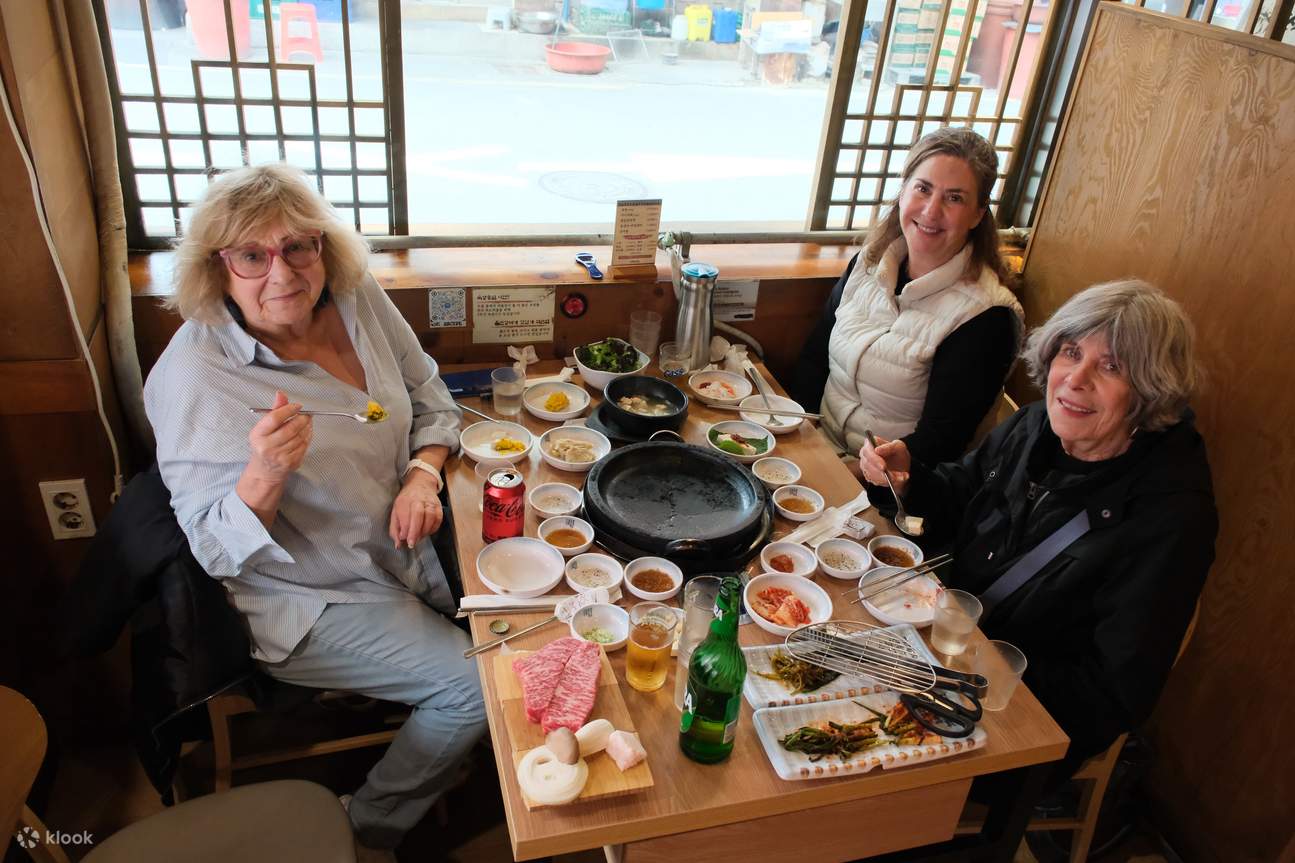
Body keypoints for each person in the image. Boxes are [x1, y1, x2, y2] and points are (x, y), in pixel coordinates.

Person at [143, 163, 486, 851]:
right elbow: (213, 548)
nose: (284, 273)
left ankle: (451, 753)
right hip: (311, 593)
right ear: (217, 268)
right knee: (473, 687)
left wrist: (422, 472)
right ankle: (366, 826)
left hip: (403, 546)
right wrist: (265, 473)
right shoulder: (194, 375)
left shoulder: (354, 297)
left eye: (300, 245)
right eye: (251, 254)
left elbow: (428, 392)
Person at [859, 279, 1217, 781]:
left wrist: (964, 670)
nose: (1075, 379)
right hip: (939, 645)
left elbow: (1109, 694)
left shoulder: (1171, 517)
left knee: (851, 768)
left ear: (1150, 391)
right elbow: (958, 495)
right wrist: (907, 480)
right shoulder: (1035, 427)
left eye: (1111, 366)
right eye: (1071, 353)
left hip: (1014, 717)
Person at [789, 126, 1024, 467]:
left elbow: (939, 444)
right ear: (903, 191)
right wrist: (798, 439)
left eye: (954, 197)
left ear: (978, 213)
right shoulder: (868, 263)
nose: (931, 210)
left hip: (891, 488)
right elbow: (814, 359)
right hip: (820, 447)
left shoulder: (987, 318)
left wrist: (841, 474)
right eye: (923, 188)